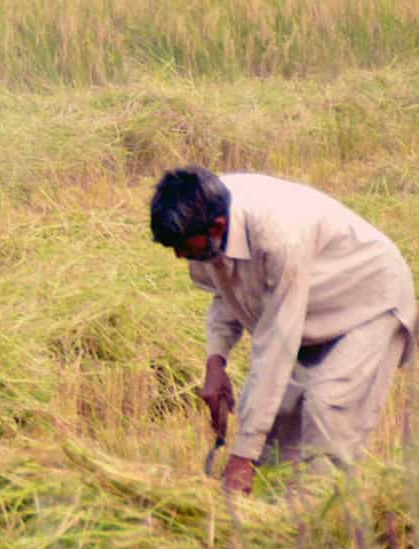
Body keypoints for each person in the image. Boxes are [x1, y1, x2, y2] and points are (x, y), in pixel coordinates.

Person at [151, 167, 414, 492]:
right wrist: (215, 361)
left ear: (217, 227)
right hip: (310, 309)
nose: (180, 256)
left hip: (367, 301)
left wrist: (241, 457)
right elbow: (227, 290)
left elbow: (278, 343)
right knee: (276, 429)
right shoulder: (204, 218)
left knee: (326, 411)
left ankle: (322, 527)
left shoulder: (279, 236)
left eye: (185, 248)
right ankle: (270, 527)